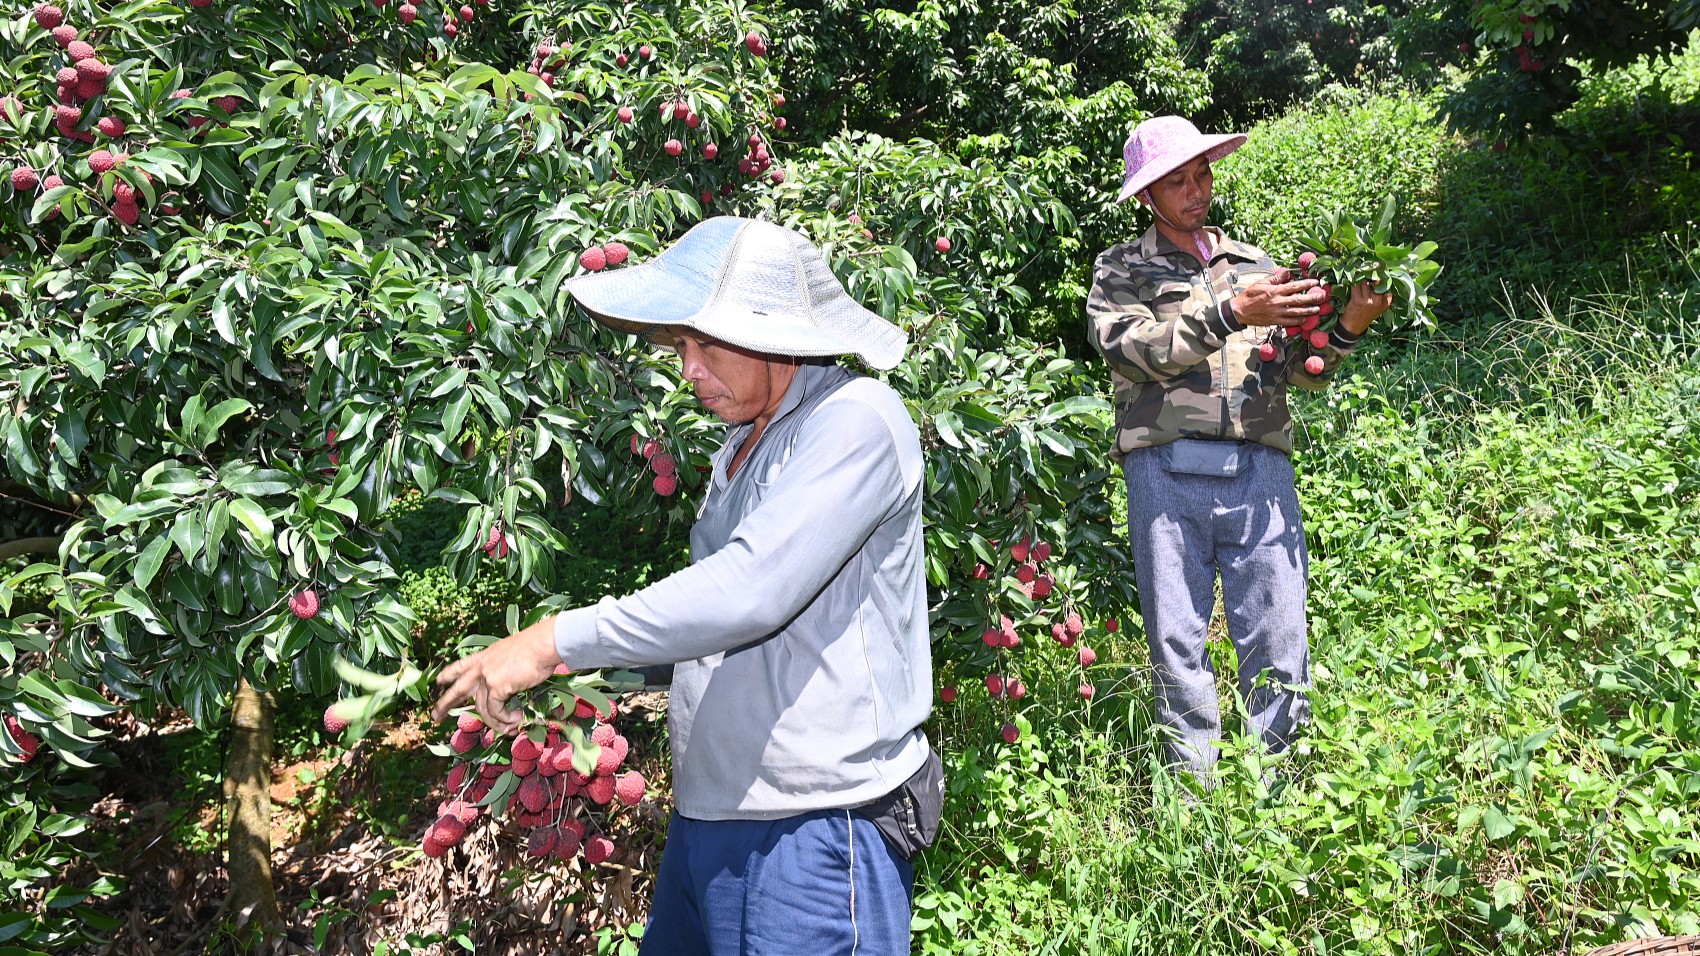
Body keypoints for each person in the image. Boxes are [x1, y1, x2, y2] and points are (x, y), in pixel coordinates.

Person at [431, 215, 940, 954]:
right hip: (713, 817)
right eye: (680, 346)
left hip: (818, 828)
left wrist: (557, 641)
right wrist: (577, 678)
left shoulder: (855, 421)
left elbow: (748, 592)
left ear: (780, 335)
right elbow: (710, 624)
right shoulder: (743, 443)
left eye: (707, 344)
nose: (687, 368)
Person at [1086, 115, 1392, 781]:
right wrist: (1230, 313)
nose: (1196, 190)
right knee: (1177, 642)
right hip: (1163, 470)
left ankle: (1280, 797)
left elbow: (1293, 371)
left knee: (1279, 635)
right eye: (1176, 181)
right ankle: (1193, 807)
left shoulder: (1256, 266)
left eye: (1202, 174)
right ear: (1146, 196)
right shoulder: (1121, 269)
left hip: (1258, 468)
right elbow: (1130, 351)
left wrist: (1345, 329)